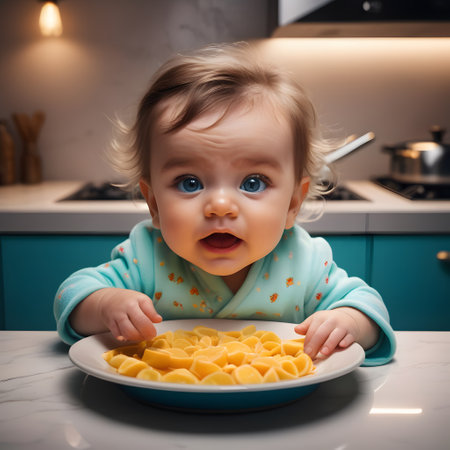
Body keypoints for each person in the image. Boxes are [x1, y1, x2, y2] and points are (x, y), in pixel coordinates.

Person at [54, 43, 395, 366]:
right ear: (154, 203)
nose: (219, 206)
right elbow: (71, 294)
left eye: (252, 183)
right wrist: (104, 305)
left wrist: (347, 321)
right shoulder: (146, 257)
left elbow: (370, 307)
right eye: (190, 183)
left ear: (293, 203)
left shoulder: (303, 262)